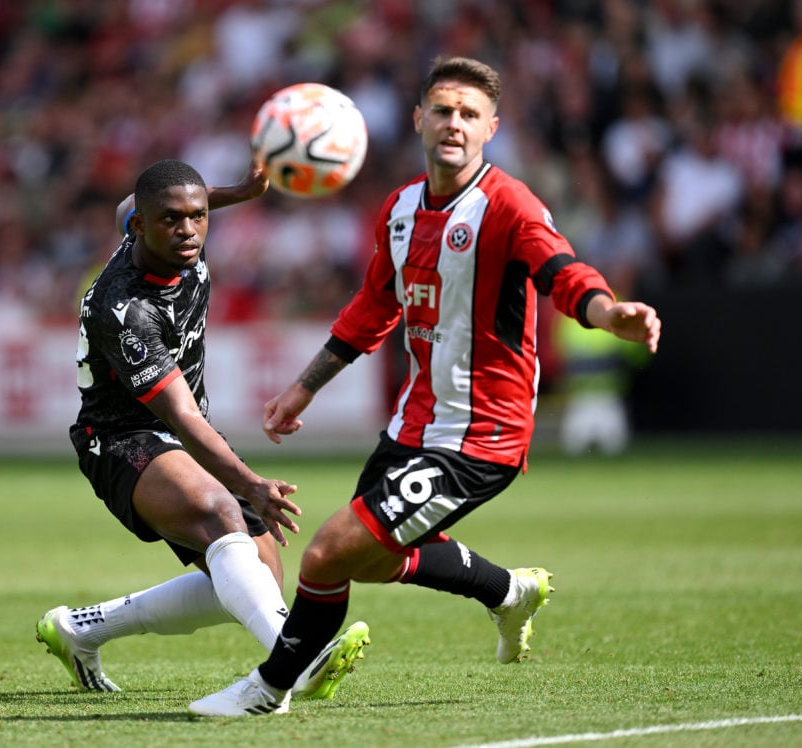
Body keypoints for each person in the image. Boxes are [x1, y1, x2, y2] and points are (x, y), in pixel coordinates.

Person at [189, 56, 661, 717]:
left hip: (481, 436)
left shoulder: (509, 206)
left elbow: (564, 273)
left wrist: (609, 312)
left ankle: (268, 689)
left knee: (325, 555)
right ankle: (507, 590)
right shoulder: (401, 209)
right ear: (418, 119)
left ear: (491, 128)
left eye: (470, 114)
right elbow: (374, 307)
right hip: (414, 424)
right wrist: (304, 387)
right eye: (443, 110)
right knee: (372, 560)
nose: (454, 124)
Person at [36, 158, 367, 709]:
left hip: (183, 432)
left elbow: (153, 202)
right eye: (171, 219)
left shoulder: (170, 234)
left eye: (199, 216)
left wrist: (237, 191)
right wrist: (252, 482)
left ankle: (82, 628)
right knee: (222, 513)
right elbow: (182, 418)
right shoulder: (124, 307)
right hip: (120, 438)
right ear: (138, 228)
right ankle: (299, 660)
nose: (188, 230)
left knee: (253, 578)